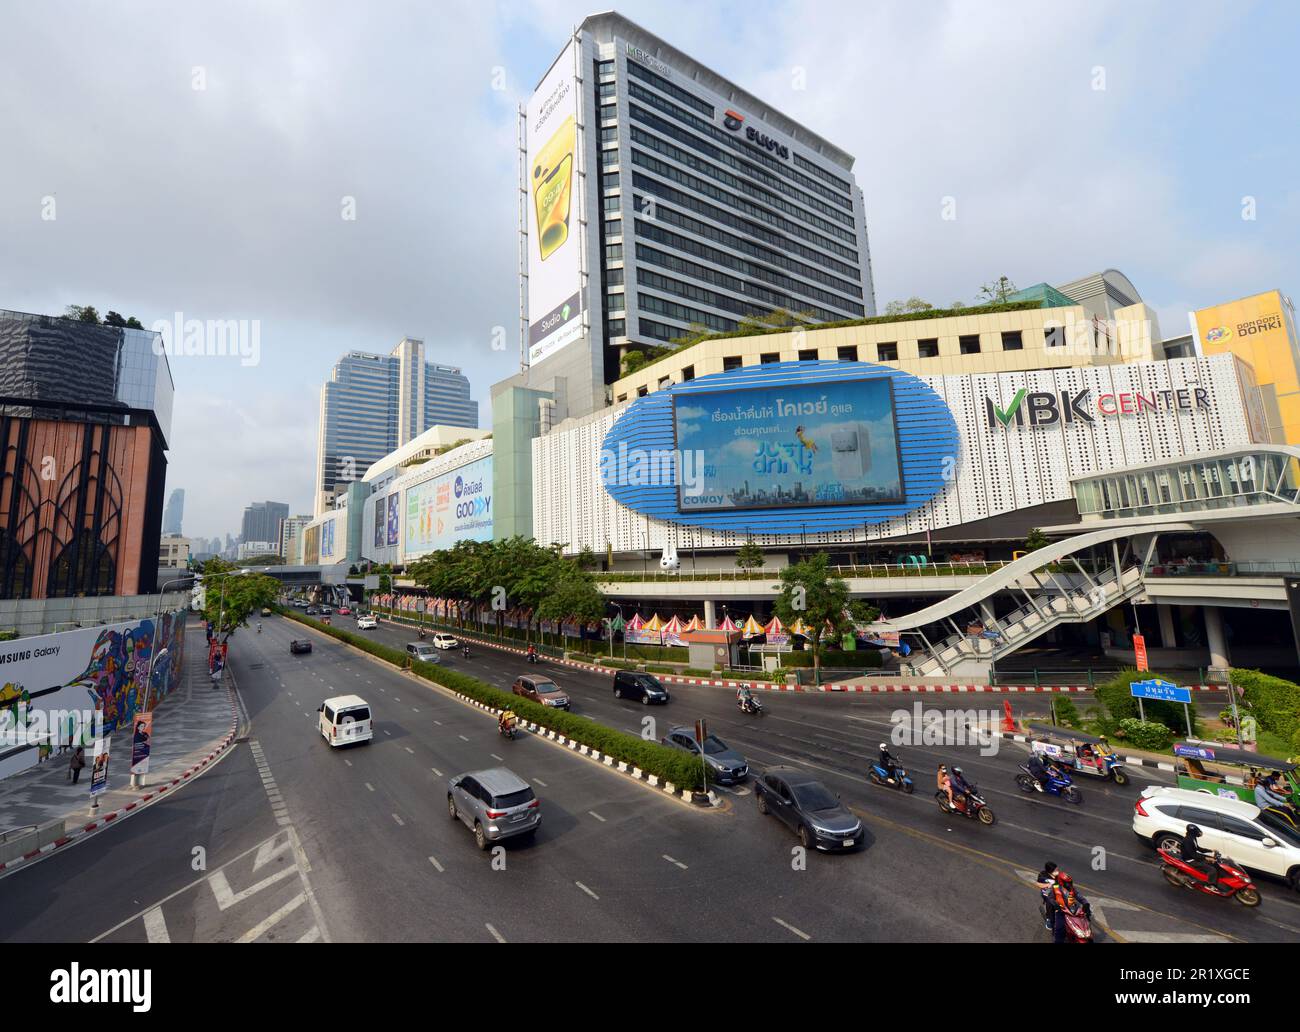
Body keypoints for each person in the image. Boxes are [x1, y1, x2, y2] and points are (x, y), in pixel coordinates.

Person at [1044, 871, 1091, 943]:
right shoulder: (1055, 888)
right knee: (1060, 928)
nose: (1069, 884)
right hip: (1061, 910)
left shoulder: (1072, 889)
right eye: (1067, 883)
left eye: (1070, 882)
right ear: (1061, 882)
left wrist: (1086, 903)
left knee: (1086, 922)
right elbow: (1050, 899)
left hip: (1072, 909)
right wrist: (1056, 905)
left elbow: (1079, 897)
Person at [1180, 825, 1221, 890]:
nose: (1199, 833)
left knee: (1214, 861)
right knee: (1212, 870)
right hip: (1190, 860)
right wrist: (1206, 858)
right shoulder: (1188, 840)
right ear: (1193, 832)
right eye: (1197, 831)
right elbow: (1193, 855)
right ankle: (1209, 885)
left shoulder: (1192, 838)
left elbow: (1198, 848)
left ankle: (1212, 878)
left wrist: (1211, 850)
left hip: (1194, 856)